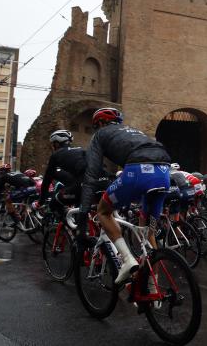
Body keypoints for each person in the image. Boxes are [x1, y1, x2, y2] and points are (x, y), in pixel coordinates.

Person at [78, 107, 171, 284]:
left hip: (137, 171)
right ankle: (153, 287)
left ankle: (128, 260)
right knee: (148, 235)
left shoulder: (100, 135)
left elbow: (91, 174)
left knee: (103, 212)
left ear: (99, 124)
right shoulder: (136, 132)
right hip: (164, 171)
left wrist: (83, 211)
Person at [35, 130, 88, 211]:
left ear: (57, 143)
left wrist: (41, 201)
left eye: (53, 144)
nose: (53, 147)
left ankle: (66, 222)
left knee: (54, 203)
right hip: (101, 182)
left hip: (82, 188)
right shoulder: (81, 150)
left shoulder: (56, 155)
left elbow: (46, 181)